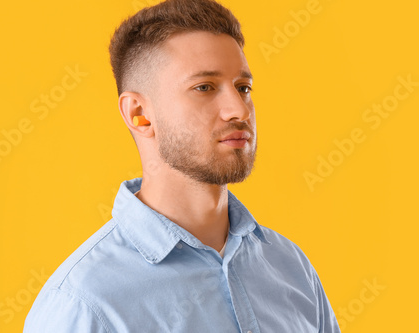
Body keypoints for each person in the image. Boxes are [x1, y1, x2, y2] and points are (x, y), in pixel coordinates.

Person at [23, 0, 341, 332]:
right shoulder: (84, 304)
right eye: (204, 87)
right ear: (139, 114)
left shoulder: (291, 268)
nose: (239, 110)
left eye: (243, 88)